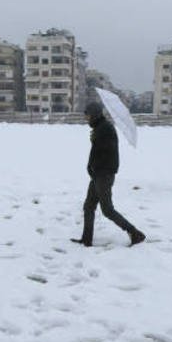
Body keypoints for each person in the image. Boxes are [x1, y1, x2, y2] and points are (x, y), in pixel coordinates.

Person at [72, 102, 145, 248]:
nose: (86, 118)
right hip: (97, 174)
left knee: (107, 210)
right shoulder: (100, 128)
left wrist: (96, 144)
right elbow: (97, 152)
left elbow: (107, 153)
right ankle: (86, 239)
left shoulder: (105, 129)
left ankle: (135, 233)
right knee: (89, 206)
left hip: (103, 175)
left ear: (95, 115)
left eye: (88, 115)